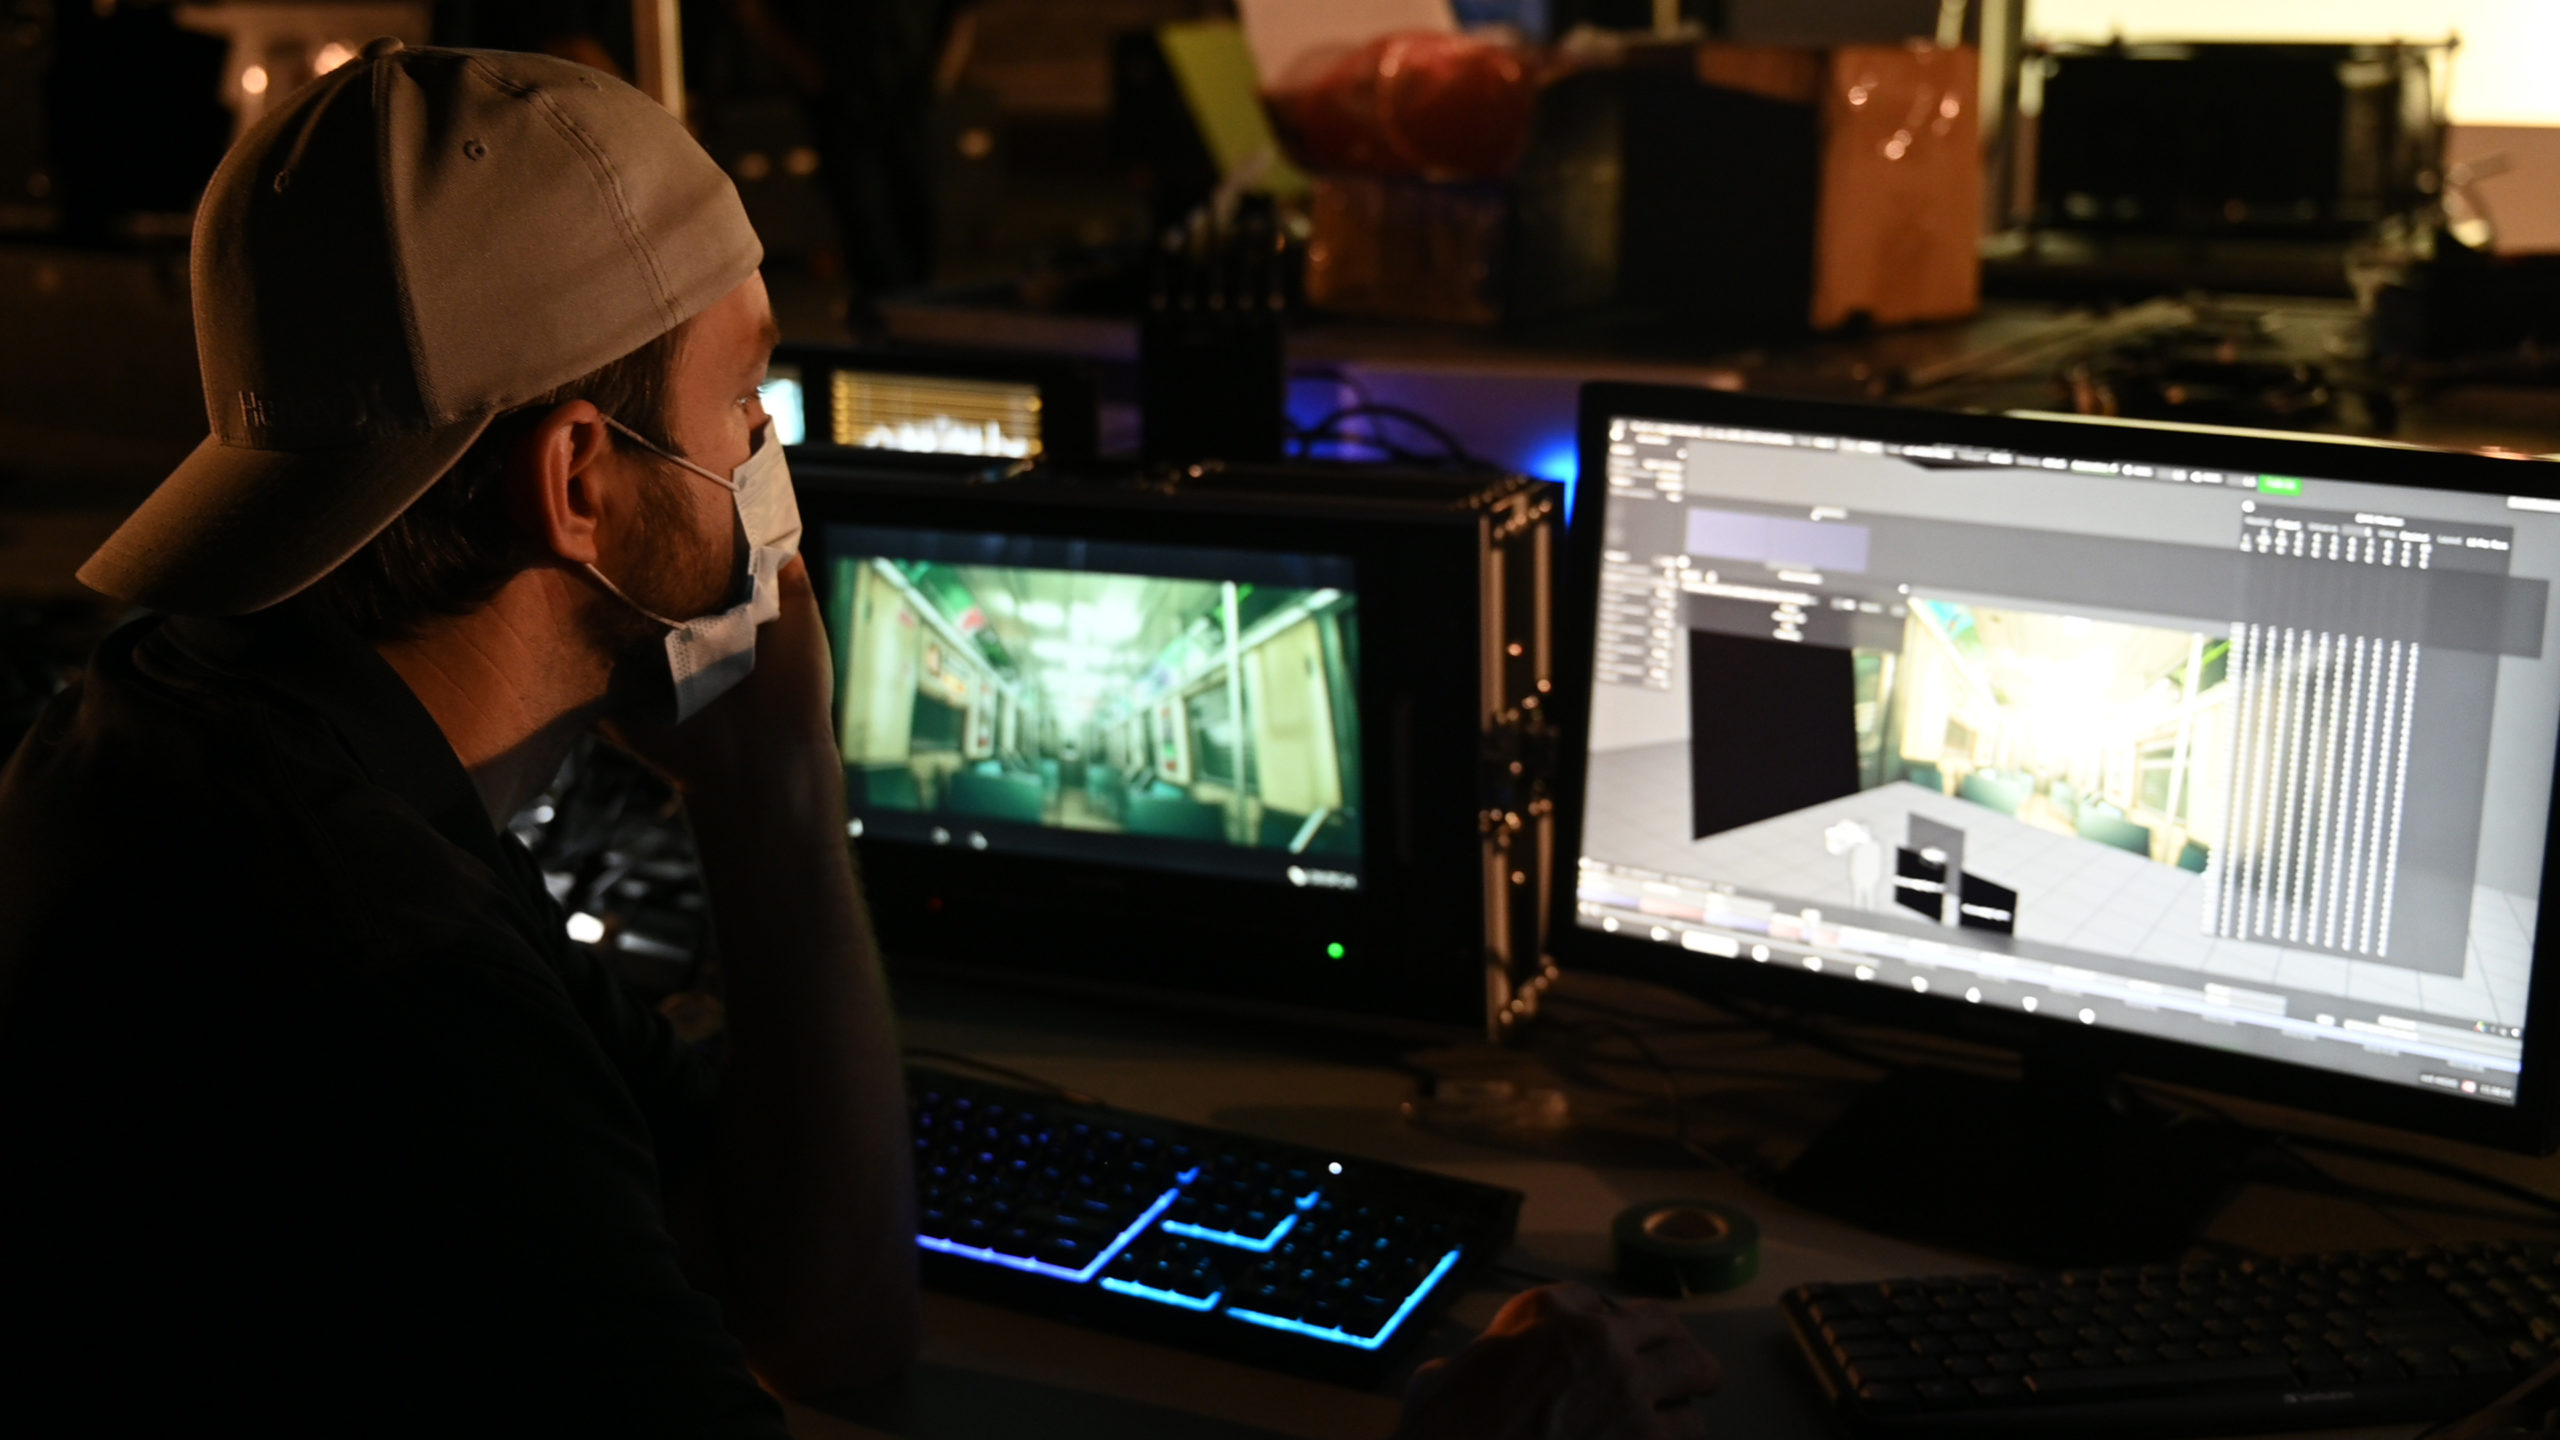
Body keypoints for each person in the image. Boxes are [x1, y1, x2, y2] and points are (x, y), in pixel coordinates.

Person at [0, 41, 1718, 1437]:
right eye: (749, 397)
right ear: (582, 483)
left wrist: (776, 788)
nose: (770, 452)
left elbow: (819, 1327)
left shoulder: (199, 741)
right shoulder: (378, 982)